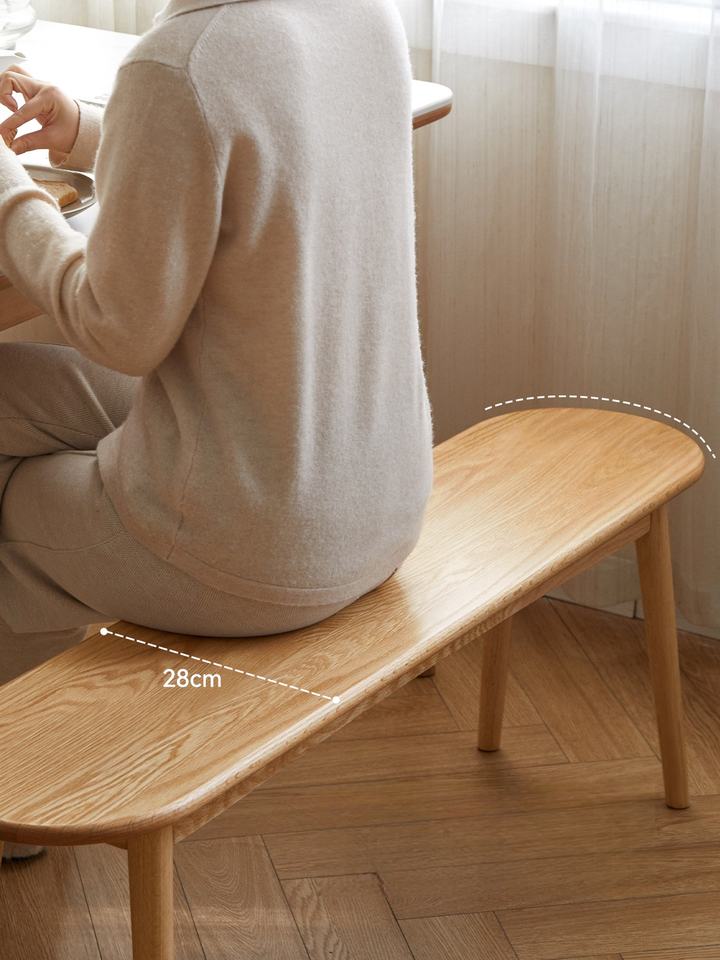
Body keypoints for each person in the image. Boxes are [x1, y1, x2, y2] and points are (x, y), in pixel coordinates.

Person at [0, 0, 433, 858]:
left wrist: (9, 196)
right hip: (375, 483)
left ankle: (23, 796)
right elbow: (255, 143)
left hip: (256, 542)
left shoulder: (178, 64)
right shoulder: (361, 13)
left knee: (11, 513)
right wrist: (86, 130)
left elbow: (117, 329)